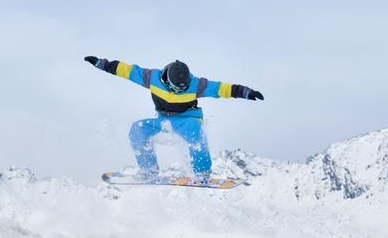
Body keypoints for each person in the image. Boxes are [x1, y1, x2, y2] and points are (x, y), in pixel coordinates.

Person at [84, 56, 263, 183]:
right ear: (168, 81)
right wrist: (101, 63)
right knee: (137, 129)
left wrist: (246, 92)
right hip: (164, 122)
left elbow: (223, 89)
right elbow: (127, 71)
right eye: (176, 88)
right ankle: (149, 170)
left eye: (182, 89)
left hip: (187, 120)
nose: (179, 91)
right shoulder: (151, 78)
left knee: (194, 131)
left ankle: (202, 172)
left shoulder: (197, 84)